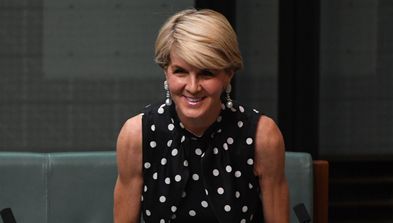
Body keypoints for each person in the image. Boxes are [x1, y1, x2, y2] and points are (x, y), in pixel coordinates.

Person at [114, 8, 289, 223]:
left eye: (207, 73)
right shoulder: (136, 135)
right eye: (180, 71)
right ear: (166, 72)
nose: (193, 87)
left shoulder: (263, 135)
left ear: (228, 74)